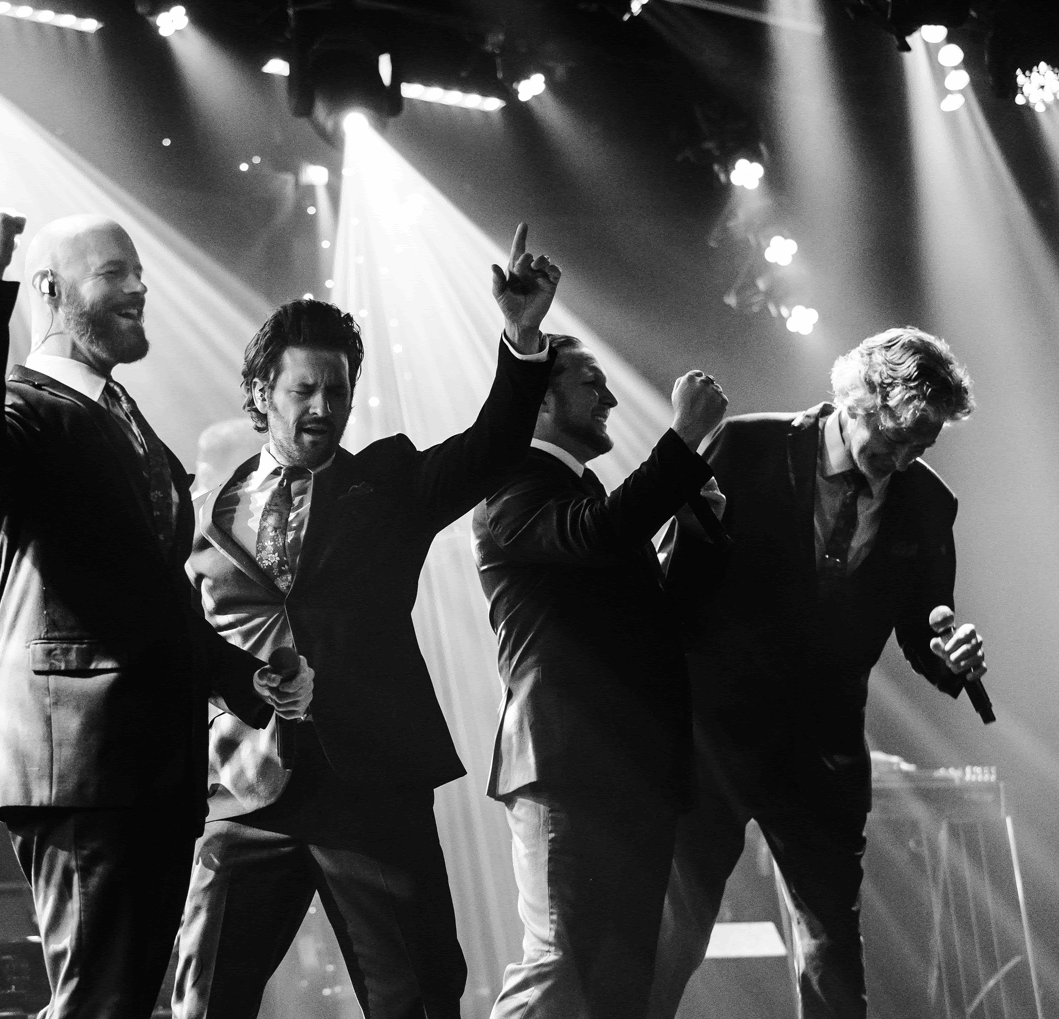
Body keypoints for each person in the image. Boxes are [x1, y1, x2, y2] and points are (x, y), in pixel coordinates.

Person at [173, 225, 561, 1019]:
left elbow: (489, 448)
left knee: (414, 996)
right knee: (202, 1001)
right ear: (261, 395)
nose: (324, 408)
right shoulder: (210, 504)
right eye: (303, 391)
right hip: (244, 790)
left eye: (338, 392)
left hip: (369, 789)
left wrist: (521, 341)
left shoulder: (387, 484)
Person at [0, 207, 312, 1019]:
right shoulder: (21, 408)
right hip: (80, 760)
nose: (140, 286)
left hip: (151, 766)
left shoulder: (121, 415)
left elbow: (154, 598)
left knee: (124, 1000)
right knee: (99, 1001)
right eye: (114, 273)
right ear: (47, 289)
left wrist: (251, 678)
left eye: (140, 271)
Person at [653, 327, 989, 1019]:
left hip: (823, 756)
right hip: (712, 739)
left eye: (921, 445)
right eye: (895, 439)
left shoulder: (929, 504)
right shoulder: (746, 447)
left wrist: (951, 653)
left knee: (834, 953)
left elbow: (927, 622)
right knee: (672, 936)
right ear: (857, 401)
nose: (900, 461)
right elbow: (669, 584)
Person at [470, 338, 727, 1019]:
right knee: (560, 963)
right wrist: (683, 438)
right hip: (569, 766)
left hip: (635, 770)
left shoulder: (583, 493)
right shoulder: (511, 481)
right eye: (592, 382)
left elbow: (664, 620)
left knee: (622, 983)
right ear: (541, 398)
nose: (611, 397)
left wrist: (700, 535)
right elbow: (599, 534)